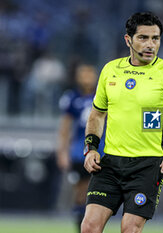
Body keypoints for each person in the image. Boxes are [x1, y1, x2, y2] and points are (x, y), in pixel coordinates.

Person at [81, 12, 163, 233]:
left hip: (147, 166)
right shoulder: (110, 70)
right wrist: (90, 149)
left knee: (130, 228)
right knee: (89, 226)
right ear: (128, 40)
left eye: (155, 38)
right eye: (143, 38)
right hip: (110, 163)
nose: (150, 44)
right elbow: (97, 115)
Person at [56, 64, 104, 232]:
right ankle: (81, 226)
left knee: (99, 192)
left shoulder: (103, 95)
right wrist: (62, 152)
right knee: (81, 192)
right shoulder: (72, 98)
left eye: (90, 73)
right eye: (83, 74)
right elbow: (65, 127)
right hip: (79, 152)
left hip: (103, 150)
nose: (86, 77)